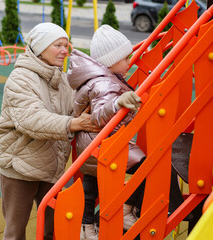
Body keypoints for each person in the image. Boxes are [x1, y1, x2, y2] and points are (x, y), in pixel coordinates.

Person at [0, 22, 101, 240]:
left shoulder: (61, 79)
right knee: (15, 232)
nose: (65, 50)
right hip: (21, 167)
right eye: (58, 45)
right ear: (40, 48)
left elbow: (78, 105)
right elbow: (31, 120)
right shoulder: (20, 79)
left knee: (53, 230)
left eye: (66, 45)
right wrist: (74, 124)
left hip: (52, 166)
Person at [67, 25, 146, 240]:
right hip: (100, 144)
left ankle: (86, 227)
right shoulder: (105, 83)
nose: (129, 63)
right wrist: (118, 103)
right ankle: (126, 210)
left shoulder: (102, 77)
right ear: (111, 61)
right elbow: (99, 115)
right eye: (125, 59)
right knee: (146, 166)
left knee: (91, 189)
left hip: (93, 143)